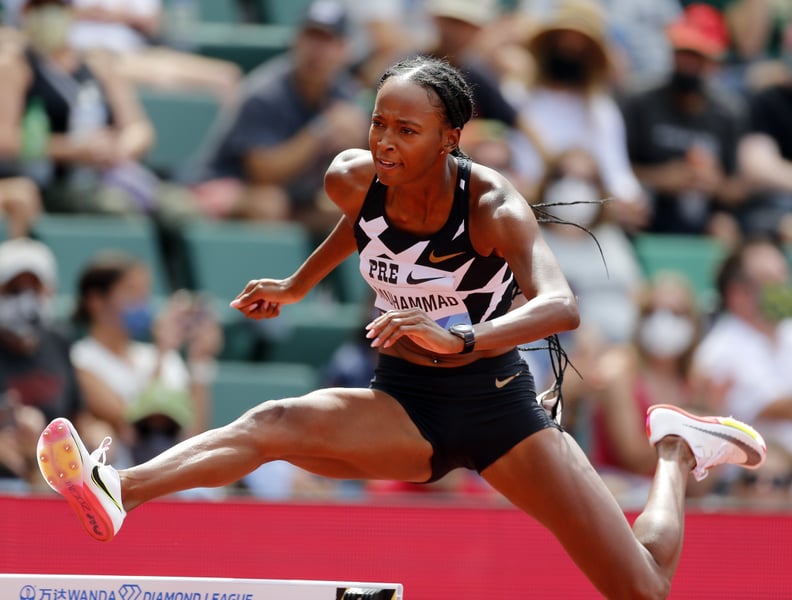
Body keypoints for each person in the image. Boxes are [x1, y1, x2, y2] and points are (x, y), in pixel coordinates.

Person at [36, 56, 767, 598]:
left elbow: (561, 305)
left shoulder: (491, 206)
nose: (386, 141)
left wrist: (463, 339)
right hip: (404, 403)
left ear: (450, 136)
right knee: (273, 422)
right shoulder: (353, 178)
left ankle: (674, 447)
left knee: (641, 590)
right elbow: (360, 227)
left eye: (407, 129)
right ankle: (116, 490)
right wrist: (296, 286)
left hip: (498, 408)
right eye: (378, 122)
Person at [189, 0, 368, 233]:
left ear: (344, 50)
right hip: (226, 186)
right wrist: (320, 131)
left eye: (327, 40)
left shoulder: (344, 93)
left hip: (291, 201)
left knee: (357, 210)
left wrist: (357, 143)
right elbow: (262, 173)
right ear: (297, 39)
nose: (317, 49)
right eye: (311, 36)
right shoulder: (265, 92)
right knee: (269, 204)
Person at [69, 252, 222, 466]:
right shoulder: (80, 359)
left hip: (174, 470)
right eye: (131, 291)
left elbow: (195, 433)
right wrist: (161, 354)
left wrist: (200, 360)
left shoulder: (159, 355)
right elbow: (134, 423)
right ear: (95, 300)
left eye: (144, 293)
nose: (141, 302)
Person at [620, 3, 749, 239]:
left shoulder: (727, 113)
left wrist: (715, 184)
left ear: (713, 60)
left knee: (727, 225)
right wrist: (661, 178)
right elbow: (618, 170)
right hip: (649, 215)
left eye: (697, 56)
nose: (688, 63)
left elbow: (738, 187)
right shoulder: (640, 103)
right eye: (683, 53)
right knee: (633, 204)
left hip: (703, 221)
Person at [692, 236, 792, 457]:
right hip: (751, 482)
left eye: (783, 277)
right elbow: (774, 408)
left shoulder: (786, 330)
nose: (783, 288)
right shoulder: (720, 350)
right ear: (737, 293)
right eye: (771, 281)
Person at [0, 237, 85, 489]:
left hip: (57, 470)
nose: (26, 300)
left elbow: (78, 415)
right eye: (14, 289)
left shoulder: (58, 340)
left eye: (34, 289)